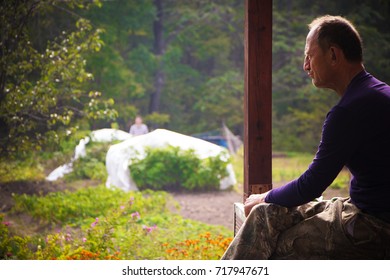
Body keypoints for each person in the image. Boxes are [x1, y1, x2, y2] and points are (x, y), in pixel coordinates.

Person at [222, 15, 390, 259]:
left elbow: (312, 185)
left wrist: (265, 195)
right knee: (264, 214)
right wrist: (265, 202)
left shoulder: (349, 111)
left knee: (278, 246)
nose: (305, 66)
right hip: (362, 209)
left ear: (333, 55)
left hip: (375, 226)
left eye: (309, 56)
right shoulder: (377, 93)